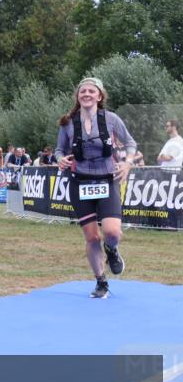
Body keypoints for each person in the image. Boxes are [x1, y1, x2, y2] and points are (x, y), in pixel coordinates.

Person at [55, 77, 137, 299]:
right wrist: (61, 159)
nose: (87, 94)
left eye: (92, 91)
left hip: (106, 180)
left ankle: (112, 250)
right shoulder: (67, 123)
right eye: (83, 91)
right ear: (78, 96)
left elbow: (131, 143)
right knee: (92, 238)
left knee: (111, 232)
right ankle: (101, 281)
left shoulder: (111, 119)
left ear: (99, 96)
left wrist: (128, 162)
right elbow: (59, 150)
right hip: (79, 182)